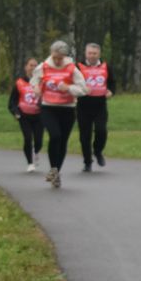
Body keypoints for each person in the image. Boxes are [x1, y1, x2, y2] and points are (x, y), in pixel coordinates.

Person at [29, 41, 89, 189]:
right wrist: (36, 88)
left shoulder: (71, 68)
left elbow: (83, 89)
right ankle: (54, 169)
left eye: (60, 58)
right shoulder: (43, 66)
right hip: (48, 107)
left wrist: (68, 88)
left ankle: (55, 172)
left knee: (62, 141)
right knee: (55, 136)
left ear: (65, 56)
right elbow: (34, 81)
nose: (57, 60)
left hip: (67, 109)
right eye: (55, 57)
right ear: (51, 53)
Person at [76, 42, 115, 172]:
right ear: (85, 54)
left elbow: (112, 83)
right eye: (89, 53)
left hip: (100, 105)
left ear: (99, 54)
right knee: (84, 136)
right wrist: (75, 92)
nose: (92, 56)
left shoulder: (106, 66)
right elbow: (70, 82)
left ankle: (97, 151)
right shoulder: (78, 66)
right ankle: (87, 162)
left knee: (101, 130)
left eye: (95, 53)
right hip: (83, 105)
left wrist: (111, 91)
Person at [7, 57, 44, 173]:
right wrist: (16, 113)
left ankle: (36, 151)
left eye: (35, 66)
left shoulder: (42, 82)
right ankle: (30, 163)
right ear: (26, 67)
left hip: (39, 116)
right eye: (30, 65)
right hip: (24, 116)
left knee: (38, 141)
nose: (33, 68)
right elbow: (12, 102)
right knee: (28, 138)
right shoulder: (19, 83)